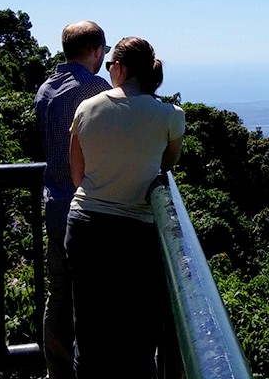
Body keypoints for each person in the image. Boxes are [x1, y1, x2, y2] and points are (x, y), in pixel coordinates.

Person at [65, 36, 185, 379]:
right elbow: (167, 163)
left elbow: (77, 174)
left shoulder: (87, 108)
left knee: (89, 331)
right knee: (139, 334)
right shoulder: (170, 116)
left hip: (85, 225)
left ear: (119, 67)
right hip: (137, 231)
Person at [34, 21, 111, 379]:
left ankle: (58, 371)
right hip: (86, 208)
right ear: (95, 51)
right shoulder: (94, 88)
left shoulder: (46, 88)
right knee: (93, 298)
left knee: (59, 293)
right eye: (103, 52)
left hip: (54, 203)